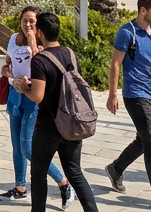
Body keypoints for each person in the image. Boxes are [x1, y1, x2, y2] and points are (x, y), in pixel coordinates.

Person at [14, 13, 99, 212]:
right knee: (75, 172)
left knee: (39, 173)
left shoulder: (40, 60)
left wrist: (23, 88)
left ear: (40, 32)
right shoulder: (70, 53)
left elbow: (38, 96)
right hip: (72, 122)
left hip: (49, 126)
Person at [105, 0, 151, 212]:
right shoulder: (127, 32)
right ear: (143, 10)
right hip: (135, 94)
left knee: (143, 141)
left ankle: (116, 168)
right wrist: (112, 94)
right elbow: (115, 64)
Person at [0, 6, 72, 205]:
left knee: (28, 147)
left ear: (38, 25)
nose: (27, 25)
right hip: (16, 94)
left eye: (32, 21)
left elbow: (36, 64)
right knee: (17, 146)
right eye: (24, 20)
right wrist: (7, 71)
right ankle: (20, 186)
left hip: (33, 96)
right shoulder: (14, 38)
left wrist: (32, 40)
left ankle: (64, 183)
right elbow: (8, 63)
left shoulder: (43, 46)